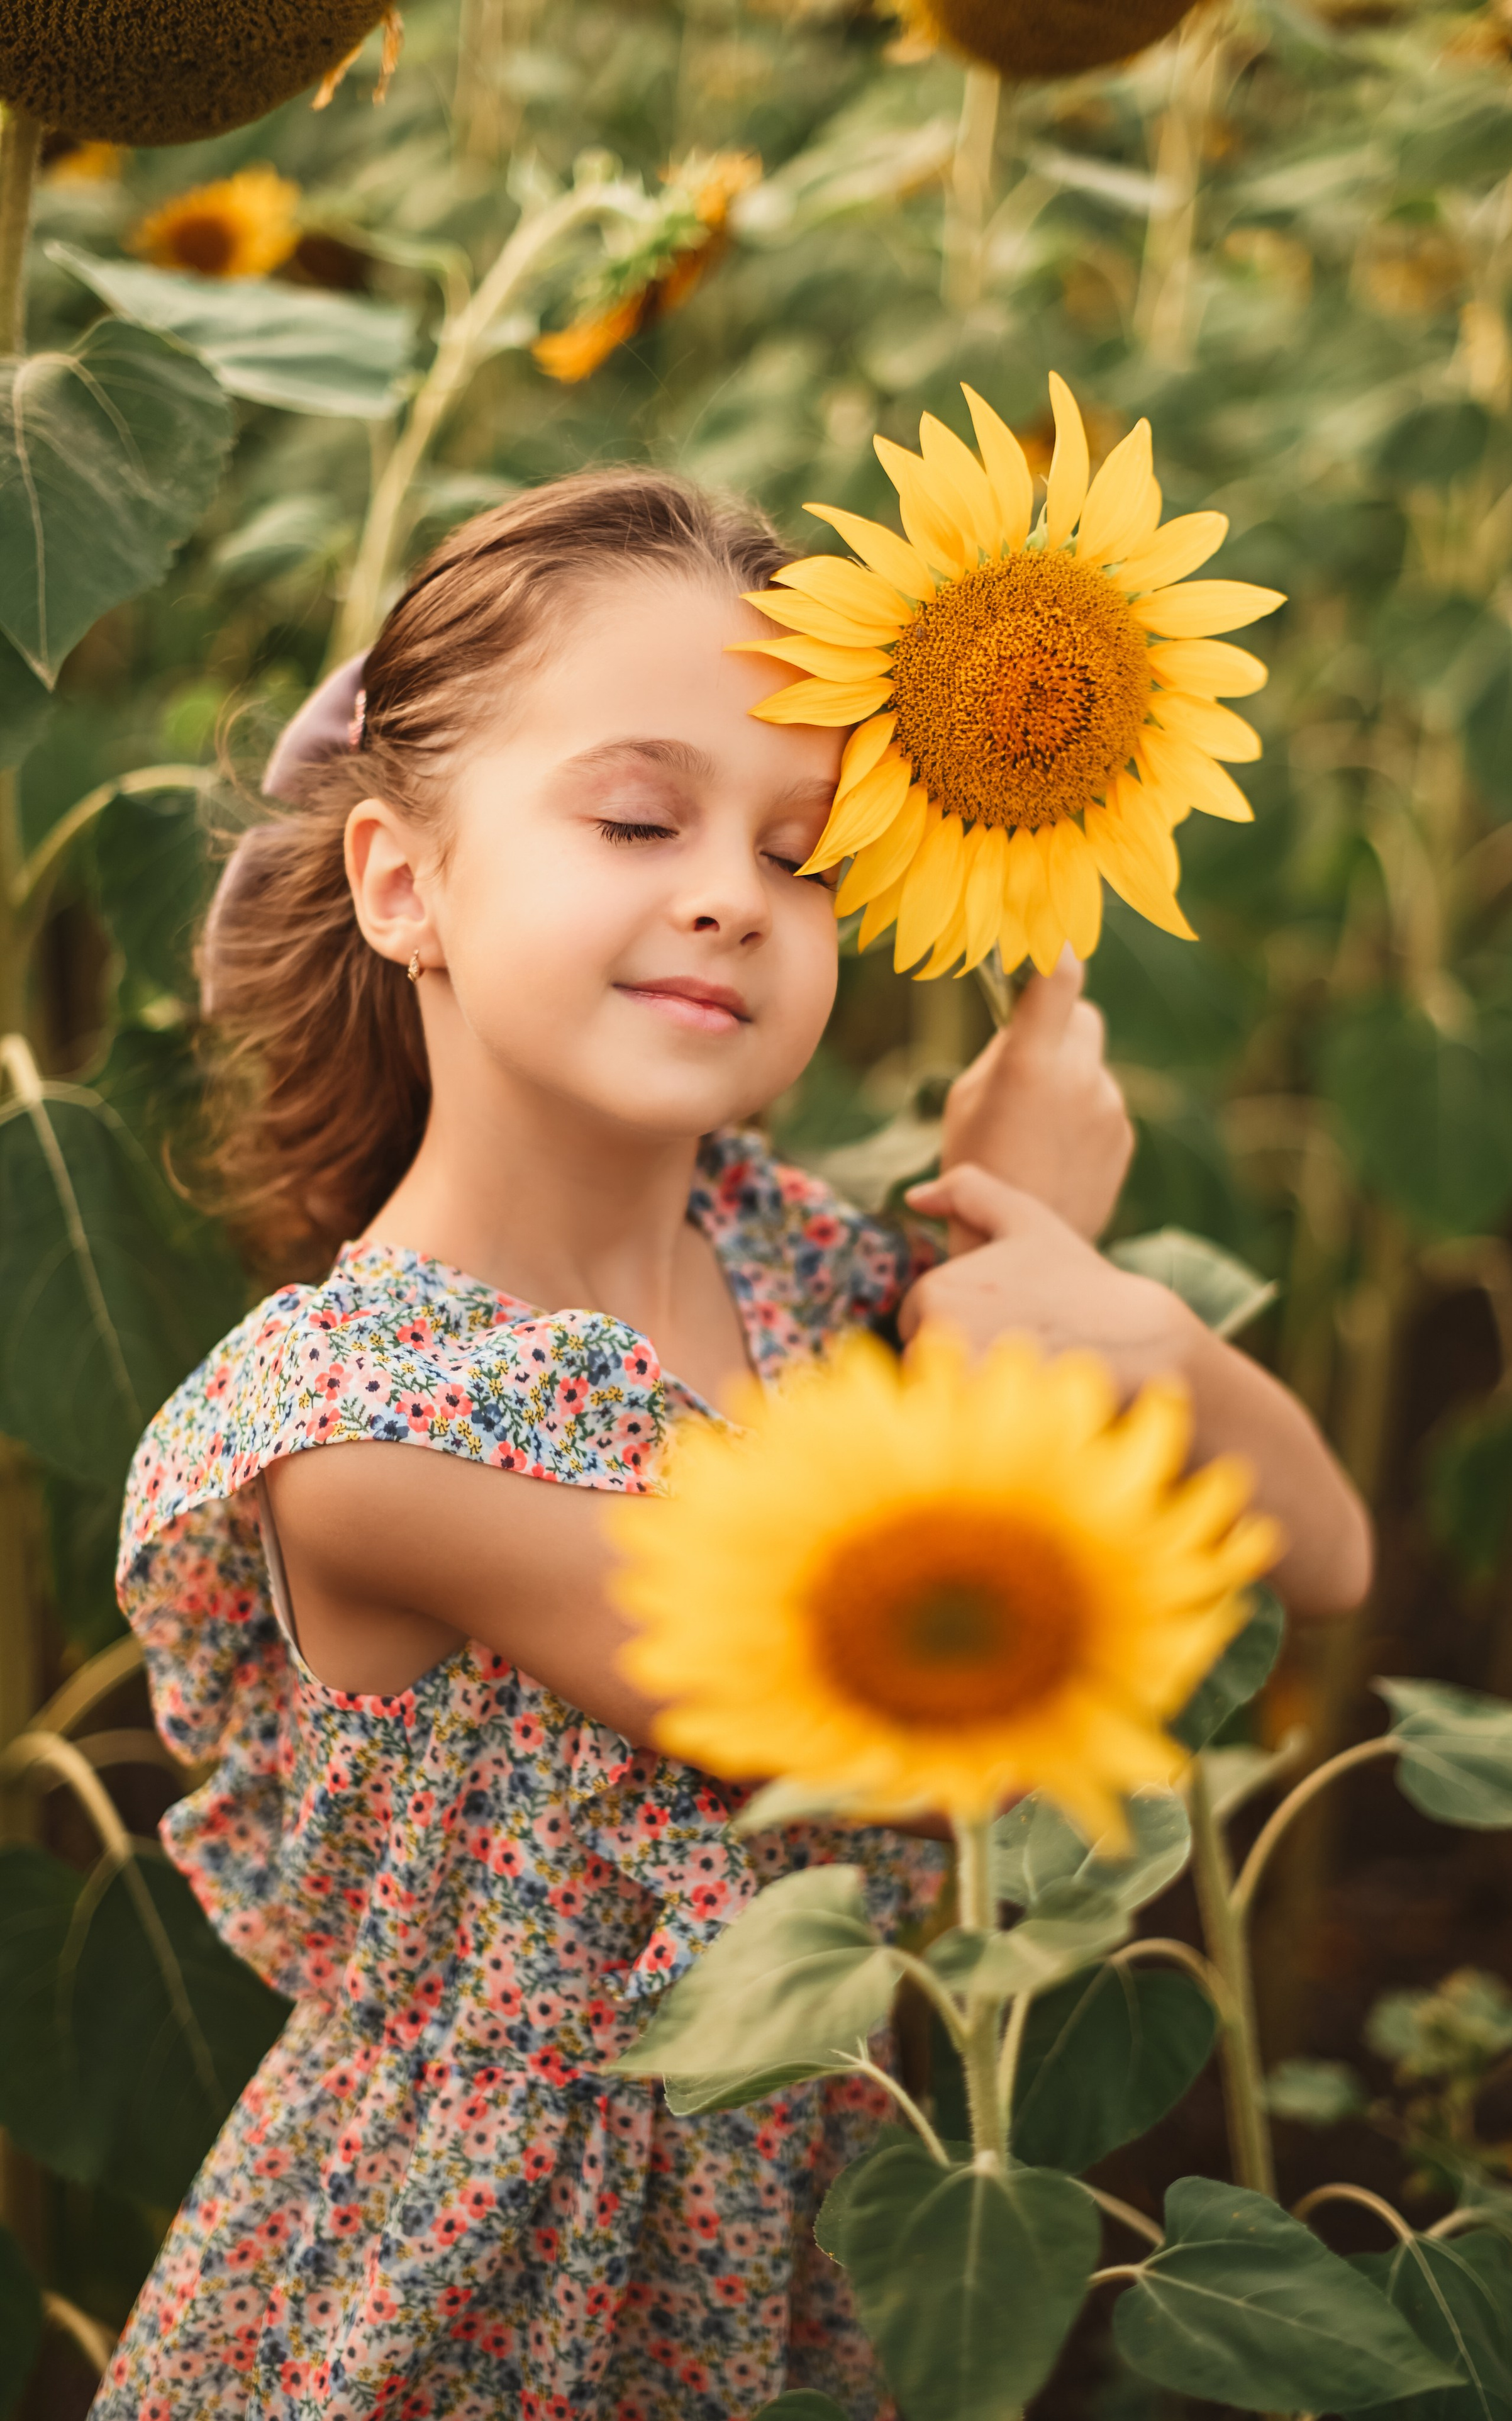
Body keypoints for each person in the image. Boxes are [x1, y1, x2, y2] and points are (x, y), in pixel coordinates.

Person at [95, 469, 1370, 2421]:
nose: (732, 896)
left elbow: (1324, 1553)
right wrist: (1039, 1268)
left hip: (806, 2248)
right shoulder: (361, 1429)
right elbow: (872, 1722)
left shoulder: (791, 1258)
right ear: (402, 884)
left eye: (805, 857)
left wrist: (1140, 1329)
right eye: (636, 819)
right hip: (474, 2301)